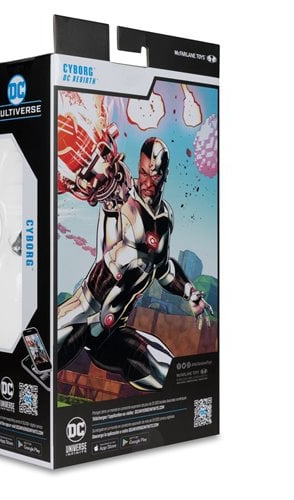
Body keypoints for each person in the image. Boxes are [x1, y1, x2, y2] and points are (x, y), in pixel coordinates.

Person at [57, 114, 212, 391]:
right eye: (143, 172)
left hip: (112, 333)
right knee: (37, 362)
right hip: (83, 315)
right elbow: (109, 193)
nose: (148, 181)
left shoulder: (165, 218)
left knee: (168, 375)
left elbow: (163, 269)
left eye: (155, 174)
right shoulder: (123, 197)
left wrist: (189, 292)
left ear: (165, 175)